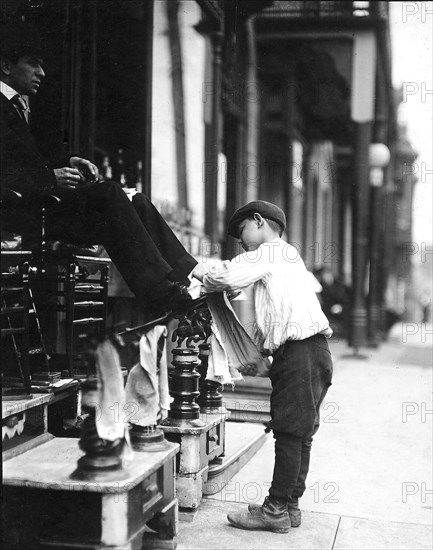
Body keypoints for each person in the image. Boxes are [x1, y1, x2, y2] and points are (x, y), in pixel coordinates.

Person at [0, 18, 197, 319]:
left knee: (134, 199)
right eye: (33, 64)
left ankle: (191, 278)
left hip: (39, 207)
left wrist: (66, 164)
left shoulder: (18, 106)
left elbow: (21, 161)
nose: (42, 73)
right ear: (6, 66)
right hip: (21, 215)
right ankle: (161, 293)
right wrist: (48, 177)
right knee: (107, 194)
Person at [193, 200, 334, 533]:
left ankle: (274, 510)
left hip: (301, 353)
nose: (241, 243)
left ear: (258, 221)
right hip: (312, 353)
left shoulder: (271, 253)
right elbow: (265, 310)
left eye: (241, 232)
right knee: (301, 435)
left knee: (288, 433)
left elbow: (226, 277)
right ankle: (289, 505)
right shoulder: (287, 258)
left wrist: (194, 268)